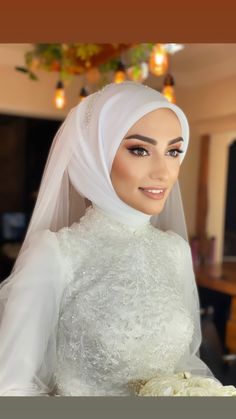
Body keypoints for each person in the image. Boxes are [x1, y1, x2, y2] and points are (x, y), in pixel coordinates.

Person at [0, 81, 213, 396]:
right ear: (94, 156)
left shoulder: (175, 252)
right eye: (139, 150)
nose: (164, 171)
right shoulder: (57, 253)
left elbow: (186, 367)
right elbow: (10, 388)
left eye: (173, 151)